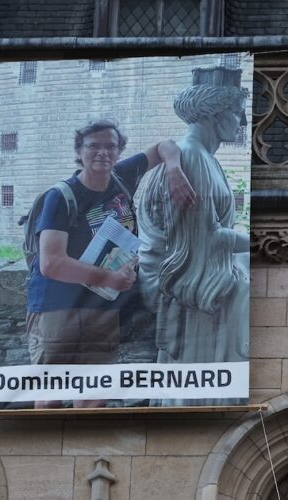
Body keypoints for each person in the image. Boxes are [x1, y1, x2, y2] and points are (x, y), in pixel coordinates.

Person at [28, 119, 193, 409]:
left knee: (93, 397)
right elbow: (51, 263)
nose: (103, 153)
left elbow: (165, 146)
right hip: (57, 307)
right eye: (93, 146)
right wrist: (109, 278)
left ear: (119, 151)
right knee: (50, 396)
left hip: (102, 308)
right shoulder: (60, 196)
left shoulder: (124, 176)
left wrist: (174, 169)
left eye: (110, 146)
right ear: (79, 152)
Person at [136, 67, 251, 406]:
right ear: (215, 114)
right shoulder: (193, 159)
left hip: (198, 271)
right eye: (236, 112)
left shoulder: (199, 157)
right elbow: (203, 242)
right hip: (188, 286)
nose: (242, 121)